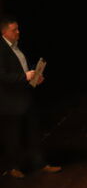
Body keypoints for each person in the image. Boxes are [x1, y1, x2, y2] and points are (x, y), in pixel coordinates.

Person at [0, 15, 61, 178]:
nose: (18, 32)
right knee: (13, 136)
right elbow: (3, 76)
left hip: (26, 97)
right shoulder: (2, 49)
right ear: (4, 32)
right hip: (10, 102)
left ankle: (39, 164)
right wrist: (25, 77)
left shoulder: (17, 47)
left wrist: (34, 77)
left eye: (18, 29)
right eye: (14, 30)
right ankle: (12, 167)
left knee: (34, 133)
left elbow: (23, 69)